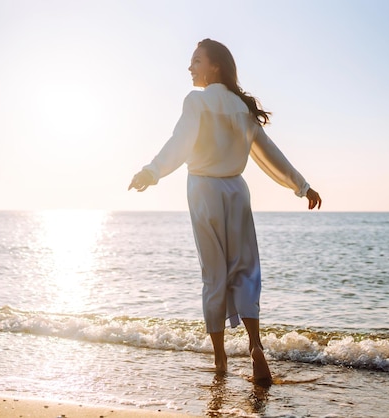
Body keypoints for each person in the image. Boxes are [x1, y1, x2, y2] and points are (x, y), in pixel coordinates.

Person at [129, 38, 322, 385]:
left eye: (197, 61)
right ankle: (255, 345)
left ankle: (220, 359)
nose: (191, 68)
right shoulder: (240, 108)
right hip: (237, 191)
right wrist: (302, 186)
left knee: (214, 275)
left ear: (215, 65)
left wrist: (152, 171)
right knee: (246, 271)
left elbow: (180, 142)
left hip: (203, 189)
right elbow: (268, 154)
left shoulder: (197, 101)